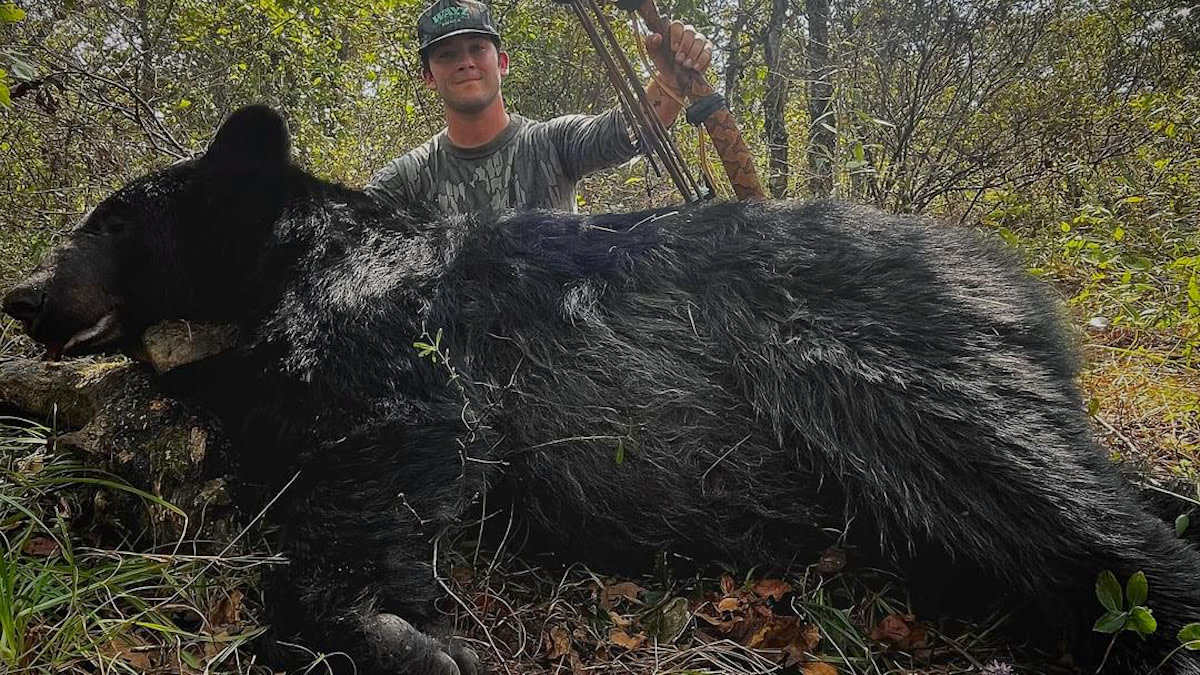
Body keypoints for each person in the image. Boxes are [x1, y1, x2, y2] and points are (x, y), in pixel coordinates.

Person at [365, 0, 713, 218]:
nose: (466, 63)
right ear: (428, 76)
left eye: (476, 48)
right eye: (447, 55)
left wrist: (669, 75)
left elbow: (627, 132)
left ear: (501, 62)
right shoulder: (407, 178)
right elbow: (341, 229)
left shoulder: (550, 142)